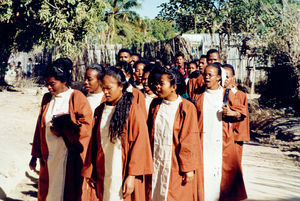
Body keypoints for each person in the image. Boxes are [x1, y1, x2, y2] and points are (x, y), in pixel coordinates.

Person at [83, 67, 153, 201]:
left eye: (109, 88)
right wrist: (91, 172)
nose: (106, 92)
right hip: (104, 168)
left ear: (121, 86)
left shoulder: (132, 110)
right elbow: (94, 145)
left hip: (123, 171)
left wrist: (132, 176)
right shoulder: (100, 111)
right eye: (103, 88)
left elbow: (140, 144)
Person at [29, 58, 93, 201]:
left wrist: (64, 130)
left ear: (64, 81)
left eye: (52, 84)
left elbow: (86, 127)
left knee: (67, 192)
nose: (49, 88)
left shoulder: (77, 97)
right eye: (47, 84)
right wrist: (35, 155)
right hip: (49, 155)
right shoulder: (47, 99)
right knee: (49, 192)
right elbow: (39, 127)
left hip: (67, 157)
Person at [146, 67, 201, 201]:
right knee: (153, 192)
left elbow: (190, 140)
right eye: (157, 83)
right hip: (155, 158)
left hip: (175, 162)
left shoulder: (186, 107)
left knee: (173, 194)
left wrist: (188, 168)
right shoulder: (155, 104)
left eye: (161, 84)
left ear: (173, 87)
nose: (157, 86)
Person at [195, 63, 247, 201]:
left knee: (222, 178)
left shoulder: (226, 94)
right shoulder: (198, 96)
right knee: (204, 176)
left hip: (222, 142)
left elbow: (241, 113)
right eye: (205, 74)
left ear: (218, 77)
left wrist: (232, 113)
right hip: (203, 142)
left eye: (210, 75)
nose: (206, 77)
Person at [82, 64, 105, 201]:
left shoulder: (107, 101)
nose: (86, 82)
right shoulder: (80, 99)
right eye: (85, 79)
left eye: (89, 79)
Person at [222, 64, 250, 165]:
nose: (224, 80)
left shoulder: (240, 94)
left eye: (227, 77)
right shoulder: (218, 92)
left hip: (235, 134)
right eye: (222, 77)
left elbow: (242, 113)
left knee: (234, 164)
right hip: (222, 134)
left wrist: (233, 113)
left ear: (233, 77)